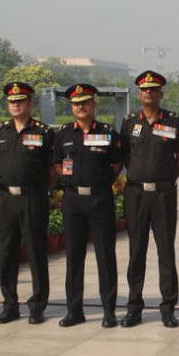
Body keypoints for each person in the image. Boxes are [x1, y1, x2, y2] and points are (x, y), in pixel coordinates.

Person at [121, 70, 179, 327]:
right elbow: (126, 157)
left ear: (160, 93)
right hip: (136, 194)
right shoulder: (129, 123)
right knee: (136, 251)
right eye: (144, 89)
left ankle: (168, 307)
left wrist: (166, 180)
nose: (149, 92)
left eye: (154, 89)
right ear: (139, 94)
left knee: (165, 252)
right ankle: (134, 307)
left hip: (163, 194)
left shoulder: (173, 121)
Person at [52, 83, 123, 327]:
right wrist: (70, 180)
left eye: (85, 102)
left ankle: (109, 310)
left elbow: (116, 164)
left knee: (105, 254)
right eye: (75, 103)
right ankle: (74, 310)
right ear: (71, 107)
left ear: (93, 105)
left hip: (100, 198)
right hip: (73, 200)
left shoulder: (107, 133)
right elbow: (58, 164)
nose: (80, 107)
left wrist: (101, 183)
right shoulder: (63, 134)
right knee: (73, 255)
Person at [0, 81, 54, 325]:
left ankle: (37, 305)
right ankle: (10, 304)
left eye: (21, 100)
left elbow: (53, 169)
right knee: (7, 252)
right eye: (12, 101)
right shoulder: (0, 131)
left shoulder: (43, 132)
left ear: (30, 103)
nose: (16, 104)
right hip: (7, 198)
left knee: (36, 251)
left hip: (33, 197)